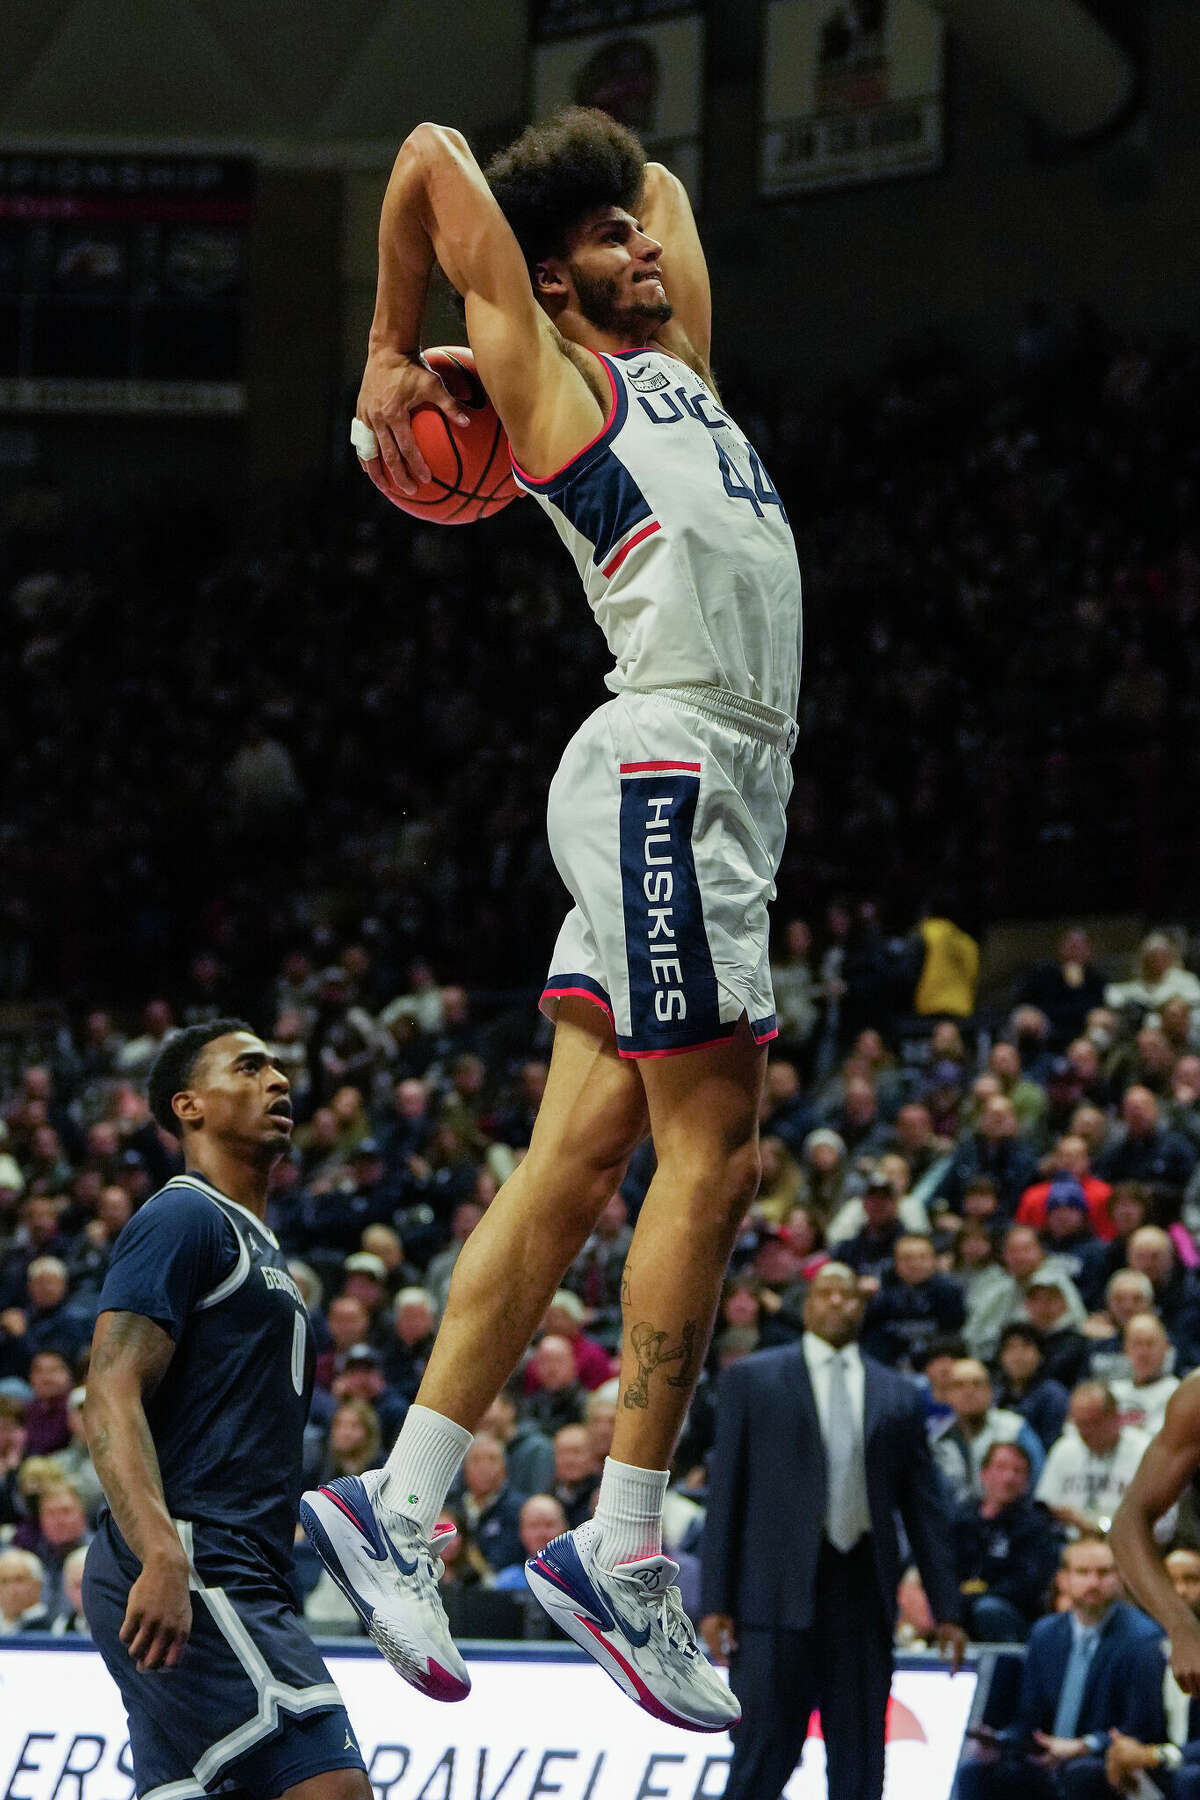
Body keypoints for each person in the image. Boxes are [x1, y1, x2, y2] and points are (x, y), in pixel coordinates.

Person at [304, 104, 804, 1732]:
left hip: (708, 777)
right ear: (549, 284)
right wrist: (394, 350)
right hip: (675, 755)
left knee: (581, 1162)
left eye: (635, 237)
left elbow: (654, 178)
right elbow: (430, 156)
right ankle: (626, 1543)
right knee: (714, 1152)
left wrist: (606, 195)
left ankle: (399, 1499)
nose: (645, 248)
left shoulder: (681, 366)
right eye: (608, 247)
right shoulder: (553, 382)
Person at [81, 1021, 372, 1800]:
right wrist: (162, 1554)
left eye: (279, 1068)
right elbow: (108, 1393)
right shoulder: (185, 1218)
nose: (277, 1080)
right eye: (248, 1068)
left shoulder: (258, 1241)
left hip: (227, 1561)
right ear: (190, 1107)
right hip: (195, 1556)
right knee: (331, 1788)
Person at [698, 1262, 965, 1800]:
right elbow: (726, 1496)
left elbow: (924, 1510)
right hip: (772, 1601)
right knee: (761, 1755)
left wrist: (948, 1610)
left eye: (849, 1293)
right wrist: (714, 1601)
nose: (839, 1302)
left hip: (862, 1595)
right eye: (827, 1292)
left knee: (861, 1762)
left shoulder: (900, 1394)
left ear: (863, 1307)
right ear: (807, 1303)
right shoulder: (752, 1378)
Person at [956, 1535, 1167, 1800]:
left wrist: (1082, 1746)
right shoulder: (1044, 1633)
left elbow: (1142, 1726)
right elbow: (1029, 1715)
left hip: (1101, 1758)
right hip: (1047, 1754)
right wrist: (1001, 1740)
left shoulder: (1144, 1639)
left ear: (1121, 1578)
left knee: (1080, 1773)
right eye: (1083, 1572)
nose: (1093, 1582)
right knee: (975, 1770)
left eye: (1103, 1573)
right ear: (1063, 1579)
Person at [1104, 1547, 1200, 1796]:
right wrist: (1123, 1749)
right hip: (1163, 1765)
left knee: (1189, 1778)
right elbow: (1137, 1725)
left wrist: (1156, 1755)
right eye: (1169, 1581)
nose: (1179, 1591)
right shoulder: (1148, 1652)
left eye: (1191, 1580)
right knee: (1089, 1771)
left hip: (1189, 1763)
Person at [950, 1441, 1062, 1642]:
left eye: (1018, 1471)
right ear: (983, 1474)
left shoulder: (1036, 1525)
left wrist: (968, 1599)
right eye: (1000, 1468)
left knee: (988, 1610)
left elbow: (1026, 1586)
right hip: (959, 1604)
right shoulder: (961, 1519)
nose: (1009, 1478)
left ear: (1027, 1482)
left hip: (1011, 1613)